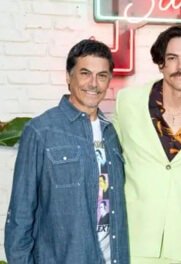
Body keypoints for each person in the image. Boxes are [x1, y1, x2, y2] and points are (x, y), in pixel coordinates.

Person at [5, 39, 129, 264]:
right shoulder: (41, 131)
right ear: (68, 77)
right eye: (85, 73)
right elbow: (20, 218)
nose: (93, 83)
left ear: (109, 80)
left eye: (102, 75)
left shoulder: (110, 133)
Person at [112, 25, 181, 264]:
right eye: (172, 58)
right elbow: (108, 167)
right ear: (161, 63)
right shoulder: (127, 103)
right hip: (134, 241)